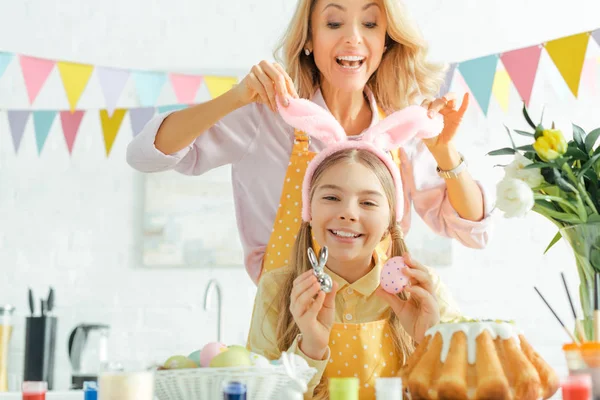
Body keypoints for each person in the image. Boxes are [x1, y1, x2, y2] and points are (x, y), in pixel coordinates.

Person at [126, 0, 493, 285]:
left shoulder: (401, 124)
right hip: (289, 335)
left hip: (383, 334)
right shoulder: (266, 117)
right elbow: (146, 155)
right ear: (308, 39)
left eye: (369, 23)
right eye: (334, 23)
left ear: (386, 41)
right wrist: (235, 97)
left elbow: (473, 230)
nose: (352, 37)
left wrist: (445, 151)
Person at [247, 95, 460, 399]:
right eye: (331, 198)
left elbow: (470, 387)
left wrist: (430, 342)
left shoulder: (424, 293)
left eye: (368, 202)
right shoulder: (276, 289)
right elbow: (257, 394)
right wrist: (311, 346)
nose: (348, 213)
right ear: (309, 212)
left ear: (391, 219)